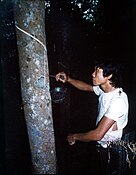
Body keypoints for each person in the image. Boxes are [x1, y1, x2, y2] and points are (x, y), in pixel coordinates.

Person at [55, 60, 129, 175]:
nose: (92, 74)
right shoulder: (104, 90)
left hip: (112, 150)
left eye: (97, 71)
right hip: (102, 146)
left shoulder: (117, 101)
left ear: (109, 76)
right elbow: (87, 87)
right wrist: (68, 79)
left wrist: (74, 137)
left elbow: (98, 134)